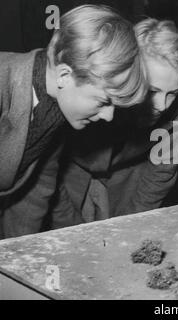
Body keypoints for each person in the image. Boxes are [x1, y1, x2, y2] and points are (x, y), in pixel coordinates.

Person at [0, 5, 147, 238]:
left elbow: (36, 191)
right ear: (65, 75)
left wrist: (19, 252)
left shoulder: (58, 108)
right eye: (103, 101)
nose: (109, 117)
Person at [49, 18, 178, 226]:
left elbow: (161, 172)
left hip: (129, 177)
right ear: (126, 74)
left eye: (172, 93)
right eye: (152, 91)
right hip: (70, 174)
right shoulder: (90, 90)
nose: (162, 105)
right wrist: (69, 229)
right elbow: (48, 177)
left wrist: (129, 226)